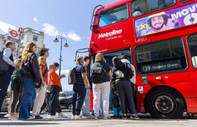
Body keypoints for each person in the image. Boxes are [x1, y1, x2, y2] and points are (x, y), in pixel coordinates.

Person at [19, 42, 40, 120]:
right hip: (29, 78)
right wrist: (37, 79)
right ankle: (25, 115)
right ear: (31, 47)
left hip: (25, 77)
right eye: (35, 47)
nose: (35, 48)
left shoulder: (24, 56)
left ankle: (25, 114)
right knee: (28, 96)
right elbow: (35, 68)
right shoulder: (32, 55)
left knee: (31, 94)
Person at [91, 53, 112, 120]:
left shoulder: (93, 65)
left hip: (96, 83)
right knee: (105, 98)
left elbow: (92, 74)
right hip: (105, 82)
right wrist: (111, 79)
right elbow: (110, 73)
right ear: (102, 57)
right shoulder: (106, 64)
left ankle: (96, 115)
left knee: (96, 99)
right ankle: (105, 115)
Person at [0, 41, 16, 118]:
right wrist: (14, 65)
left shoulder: (6, 50)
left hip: (3, 73)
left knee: (2, 91)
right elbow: (5, 58)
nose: (15, 47)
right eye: (14, 45)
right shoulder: (8, 49)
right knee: (2, 92)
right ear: (9, 45)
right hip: (6, 73)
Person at [32, 48, 49, 119]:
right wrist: (42, 80)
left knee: (41, 98)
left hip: (43, 80)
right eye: (47, 52)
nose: (48, 53)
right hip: (42, 80)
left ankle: (37, 113)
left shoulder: (43, 59)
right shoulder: (42, 59)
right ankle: (35, 113)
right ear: (43, 52)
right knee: (39, 97)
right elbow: (39, 69)